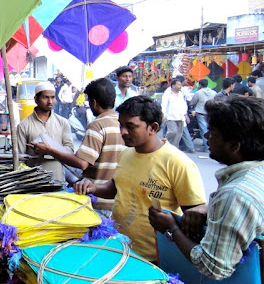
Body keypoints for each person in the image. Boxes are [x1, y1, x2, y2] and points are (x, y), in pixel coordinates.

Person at [74, 96, 206, 262]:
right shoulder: (126, 153)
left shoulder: (177, 163)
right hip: (119, 247)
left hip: (156, 257)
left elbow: (196, 213)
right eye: (121, 125)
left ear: (153, 127)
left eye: (131, 126)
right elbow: (115, 188)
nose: (122, 132)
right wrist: (93, 187)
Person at [148, 96, 264, 280]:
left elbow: (214, 267)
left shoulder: (235, 195)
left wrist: (170, 229)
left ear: (234, 146)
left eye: (213, 134)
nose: (206, 137)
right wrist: (209, 208)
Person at [29, 78, 124, 215]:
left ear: (94, 102)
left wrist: (49, 150)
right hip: (116, 198)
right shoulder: (121, 123)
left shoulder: (97, 125)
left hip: (98, 198)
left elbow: (82, 163)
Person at [16, 81, 73, 181]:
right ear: (36, 99)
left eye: (52, 97)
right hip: (34, 182)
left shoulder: (63, 123)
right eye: (45, 97)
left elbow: (70, 151)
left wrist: (49, 150)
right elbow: (20, 159)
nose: (50, 101)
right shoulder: (23, 126)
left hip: (58, 180)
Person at [161, 78, 189, 150]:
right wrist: (163, 115)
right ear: (173, 85)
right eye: (178, 84)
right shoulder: (168, 93)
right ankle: (164, 143)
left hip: (180, 116)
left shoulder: (181, 94)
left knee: (179, 134)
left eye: (180, 85)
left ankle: (174, 148)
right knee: (173, 131)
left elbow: (184, 105)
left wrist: (186, 115)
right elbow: (164, 105)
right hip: (171, 117)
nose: (180, 86)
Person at [190, 79, 216, 152]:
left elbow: (193, 102)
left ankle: (206, 146)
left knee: (203, 129)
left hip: (200, 112)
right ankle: (210, 145)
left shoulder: (198, 92)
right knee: (209, 129)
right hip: (210, 112)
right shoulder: (213, 93)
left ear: (200, 85)